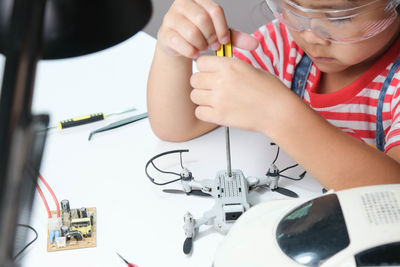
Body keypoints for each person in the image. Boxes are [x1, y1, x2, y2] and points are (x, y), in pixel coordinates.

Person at [147, 0, 400, 190]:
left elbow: (393, 196)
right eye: (292, 8)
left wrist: (279, 115)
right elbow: (180, 126)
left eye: (339, 18)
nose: (310, 35)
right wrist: (174, 51)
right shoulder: (282, 45)